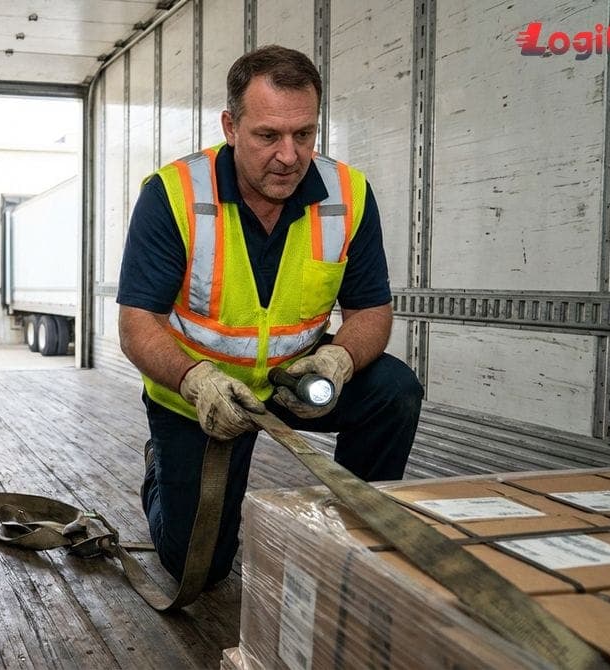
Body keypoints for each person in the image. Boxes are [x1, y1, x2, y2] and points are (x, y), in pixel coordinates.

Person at [117, 45, 423, 587]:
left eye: (304, 134)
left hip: (294, 383)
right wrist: (196, 381)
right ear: (231, 127)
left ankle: (354, 538)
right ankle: (161, 472)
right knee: (197, 568)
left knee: (394, 390)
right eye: (268, 136)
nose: (289, 155)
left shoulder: (348, 195)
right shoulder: (173, 194)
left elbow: (371, 310)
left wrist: (338, 360)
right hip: (199, 397)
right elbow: (137, 323)